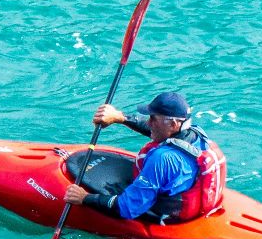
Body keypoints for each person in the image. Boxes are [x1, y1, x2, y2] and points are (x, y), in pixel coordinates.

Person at [65, 91, 226, 224]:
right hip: (195, 206)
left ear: (174, 124)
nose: (148, 123)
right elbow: (158, 133)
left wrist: (85, 198)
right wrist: (120, 117)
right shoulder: (195, 136)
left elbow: (127, 208)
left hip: (165, 216)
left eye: (153, 118)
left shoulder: (162, 159)